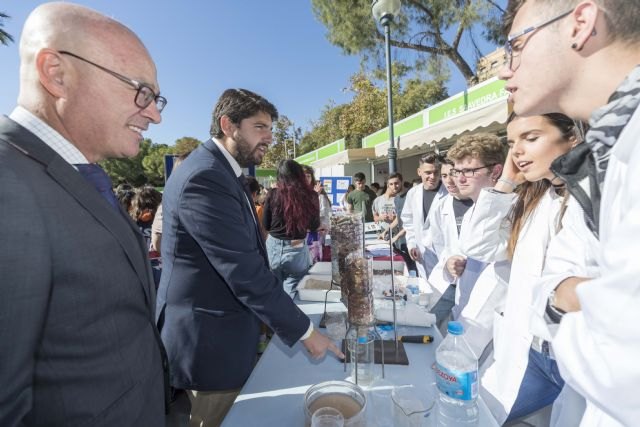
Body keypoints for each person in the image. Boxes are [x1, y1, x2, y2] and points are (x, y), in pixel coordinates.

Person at [0, 3, 168, 425]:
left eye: (155, 97)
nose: (155, 113)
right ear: (56, 73)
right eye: (141, 91)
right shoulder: (8, 183)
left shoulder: (79, 174)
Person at [156, 88, 343, 426]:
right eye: (260, 127)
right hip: (209, 339)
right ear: (228, 125)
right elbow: (242, 269)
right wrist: (306, 333)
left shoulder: (219, 170)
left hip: (222, 332)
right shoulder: (206, 176)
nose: (270, 138)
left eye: (270, 128)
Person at [501, 1, 640, 425]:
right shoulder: (607, 154)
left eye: (516, 46)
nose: (505, 70)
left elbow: (622, 362)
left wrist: (568, 302)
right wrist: (587, 298)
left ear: (580, 23)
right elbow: (554, 279)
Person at [460, 114, 581, 424]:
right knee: (481, 417)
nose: (517, 152)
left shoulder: (599, 199)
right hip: (531, 355)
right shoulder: (533, 199)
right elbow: (478, 245)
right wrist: (507, 181)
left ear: (573, 138)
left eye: (530, 137)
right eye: (512, 143)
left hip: (578, 362)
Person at [264, 159, 320, 297]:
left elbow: (266, 224)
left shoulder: (273, 194)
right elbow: (313, 226)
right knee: (293, 292)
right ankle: (289, 317)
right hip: (297, 246)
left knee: (272, 291)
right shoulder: (311, 195)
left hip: (273, 247)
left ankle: (274, 318)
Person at [400, 153, 447, 279]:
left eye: (436, 172)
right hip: (421, 254)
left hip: (443, 256)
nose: (432, 176)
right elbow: (408, 221)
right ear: (419, 172)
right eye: (428, 172)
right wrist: (412, 244)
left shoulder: (449, 194)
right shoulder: (413, 193)